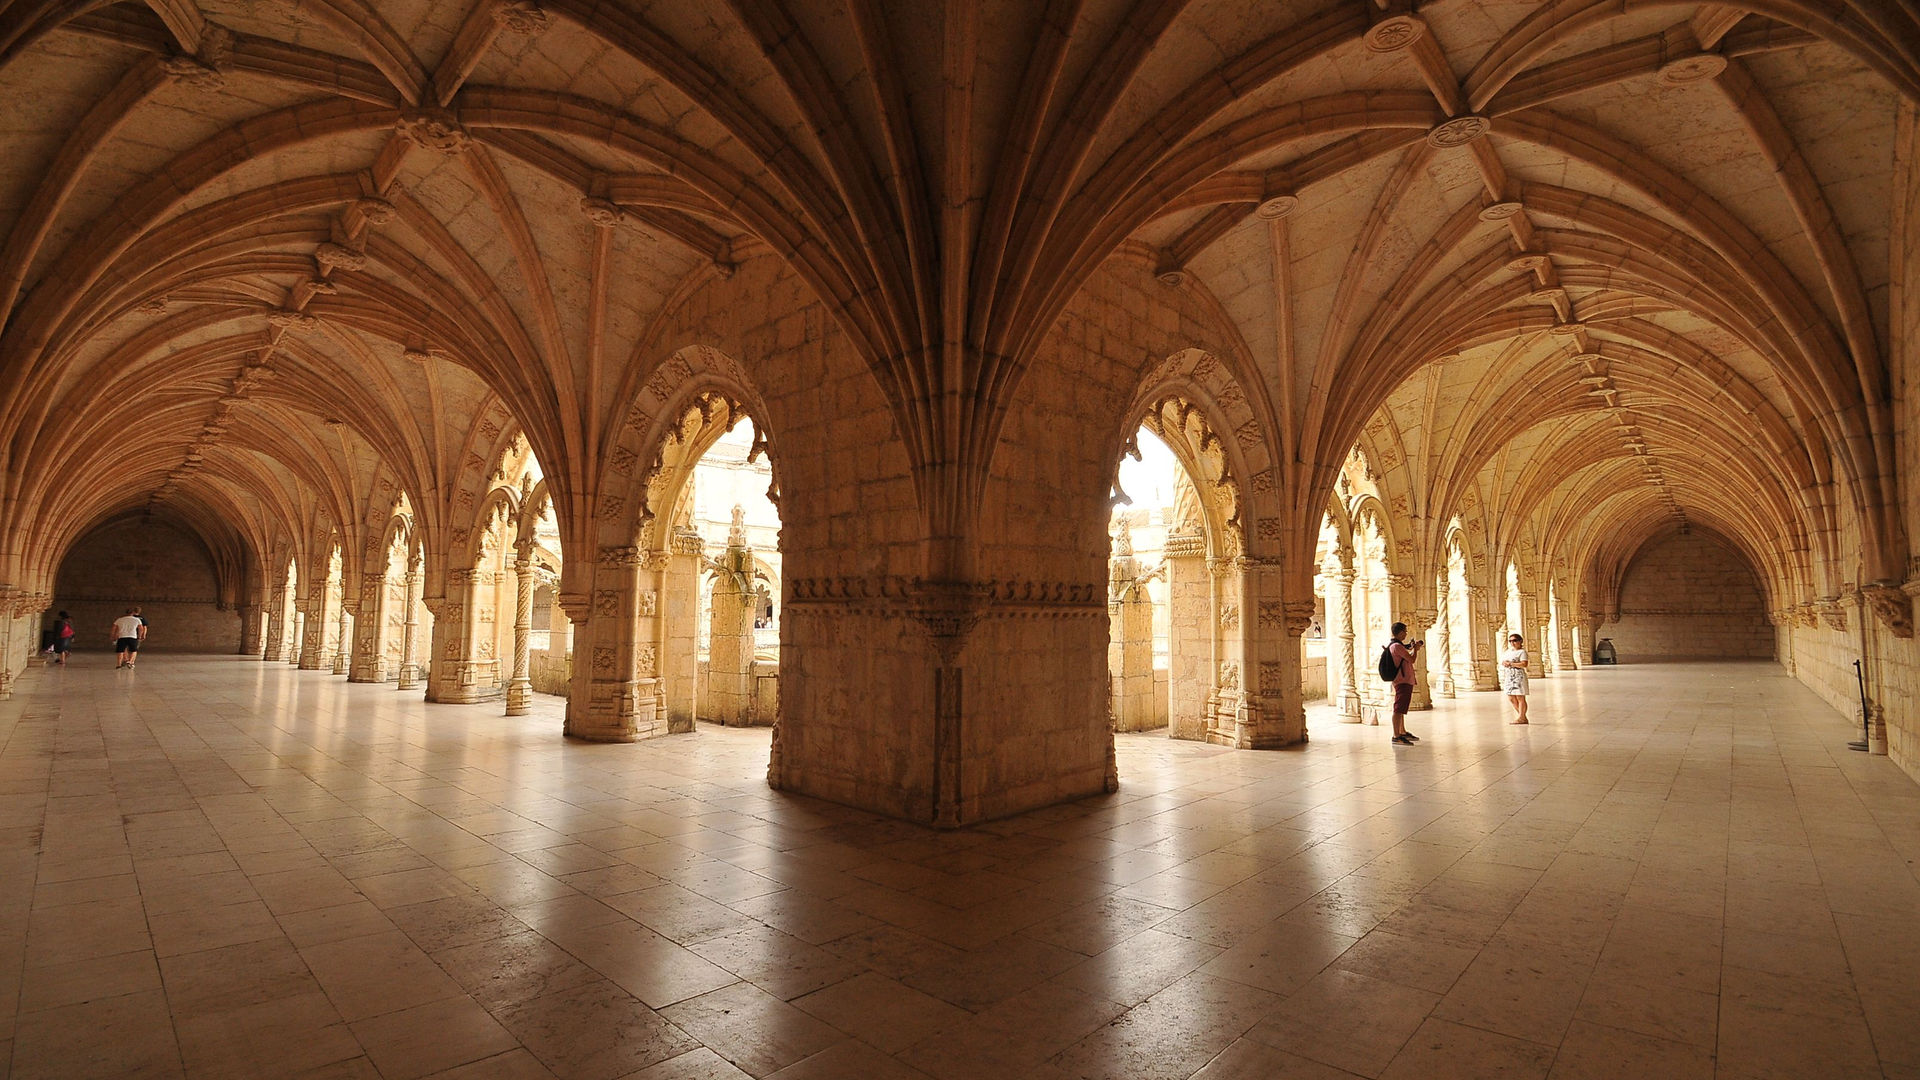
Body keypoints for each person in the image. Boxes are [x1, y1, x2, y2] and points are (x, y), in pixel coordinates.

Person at [1387, 622, 1422, 745]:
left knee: (1401, 708)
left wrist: (1411, 648)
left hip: (1403, 679)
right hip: (1402, 680)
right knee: (1398, 708)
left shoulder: (1396, 646)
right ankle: (1396, 736)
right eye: (1405, 631)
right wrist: (1416, 650)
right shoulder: (1397, 646)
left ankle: (1402, 731)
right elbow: (1411, 659)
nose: (1406, 634)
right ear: (1400, 632)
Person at [1500, 633, 1530, 724]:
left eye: (1514, 640)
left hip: (1518, 677)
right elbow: (1503, 661)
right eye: (1510, 641)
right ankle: (1522, 717)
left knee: (1520, 697)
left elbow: (1524, 664)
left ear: (1520, 641)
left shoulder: (1522, 652)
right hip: (1509, 676)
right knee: (1511, 697)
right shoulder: (1508, 651)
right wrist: (1504, 663)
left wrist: (1511, 664)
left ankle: (1521, 717)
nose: (1512, 643)